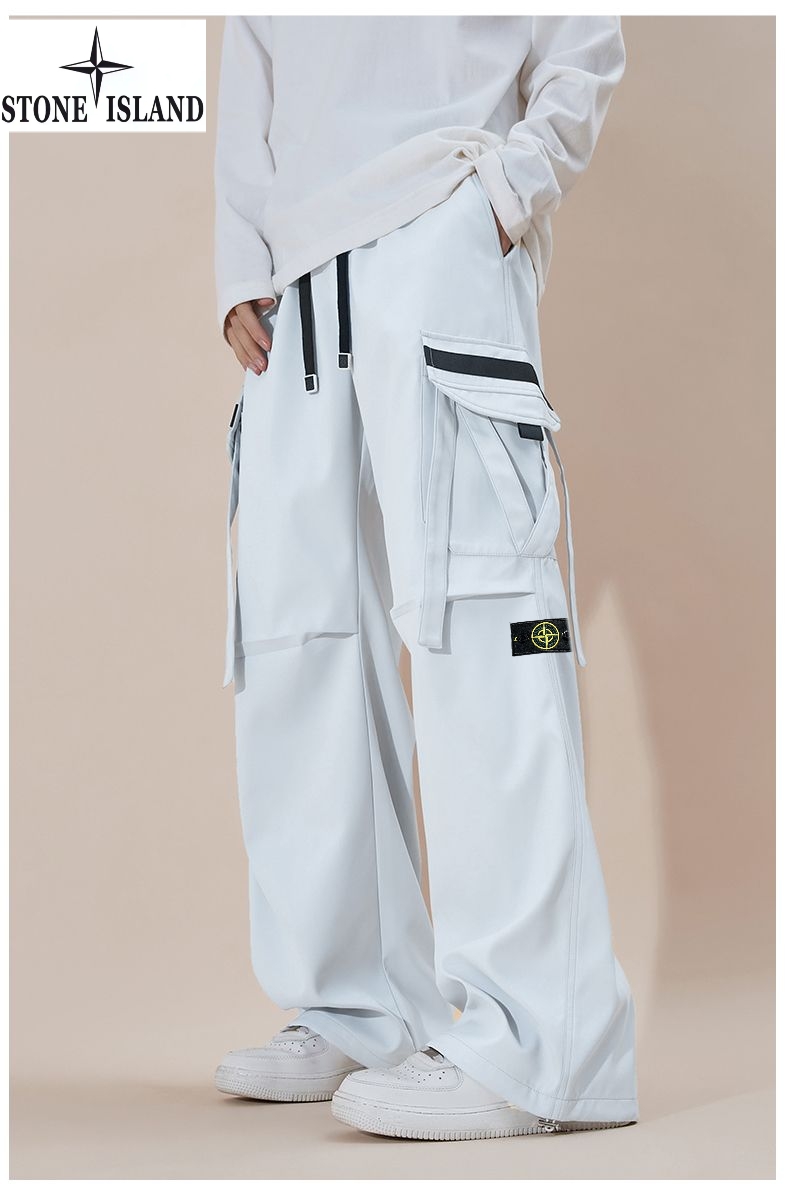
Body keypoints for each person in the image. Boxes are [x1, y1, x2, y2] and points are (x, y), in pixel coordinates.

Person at [213, 15, 637, 1142]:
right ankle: (360, 1007)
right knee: (301, 648)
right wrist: (237, 263)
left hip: (439, 230)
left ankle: (545, 1044)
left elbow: (584, 39)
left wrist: (507, 191)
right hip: (293, 291)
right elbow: (252, 58)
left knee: (487, 622)